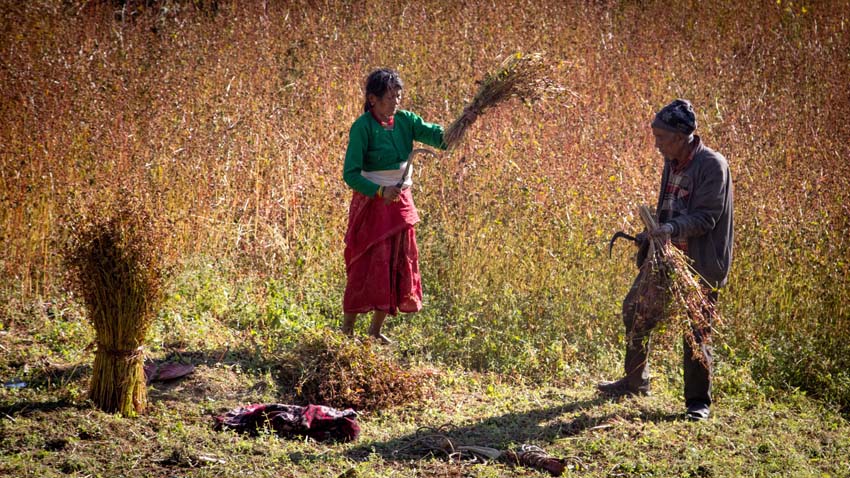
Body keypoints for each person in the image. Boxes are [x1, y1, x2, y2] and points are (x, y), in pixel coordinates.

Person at [597, 99, 734, 421]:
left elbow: (707, 217)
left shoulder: (712, 166)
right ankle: (634, 381)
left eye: (661, 138)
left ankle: (697, 403)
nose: (657, 145)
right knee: (636, 310)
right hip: (666, 256)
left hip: (699, 263)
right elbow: (669, 207)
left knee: (696, 332)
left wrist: (669, 228)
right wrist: (653, 232)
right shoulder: (672, 161)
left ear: (683, 135)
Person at [340, 68, 448, 344]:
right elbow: (350, 174)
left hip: (399, 203)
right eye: (390, 98)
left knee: (396, 262)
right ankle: (346, 330)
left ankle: (375, 330)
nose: (395, 103)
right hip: (372, 204)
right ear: (373, 99)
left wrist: (462, 124)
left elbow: (439, 138)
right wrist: (378, 191)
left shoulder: (406, 121)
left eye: (398, 97)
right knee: (365, 263)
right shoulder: (362, 127)